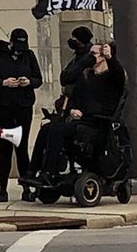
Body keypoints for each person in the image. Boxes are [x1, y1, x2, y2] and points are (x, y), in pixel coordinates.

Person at [40, 43, 126, 182]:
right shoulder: (86, 78)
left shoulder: (111, 79)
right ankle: (35, 170)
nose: (90, 58)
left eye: (94, 55)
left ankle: (49, 172)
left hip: (97, 124)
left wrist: (111, 58)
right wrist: (72, 109)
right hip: (80, 120)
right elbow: (70, 88)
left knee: (60, 129)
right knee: (47, 128)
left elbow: (118, 75)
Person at [0, 28, 43, 203]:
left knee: (22, 148)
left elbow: (38, 79)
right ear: (10, 42)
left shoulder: (29, 56)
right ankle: (2, 189)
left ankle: (26, 187)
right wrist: (3, 83)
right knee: (6, 147)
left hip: (23, 106)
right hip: (4, 106)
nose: (19, 49)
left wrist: (28, 82)